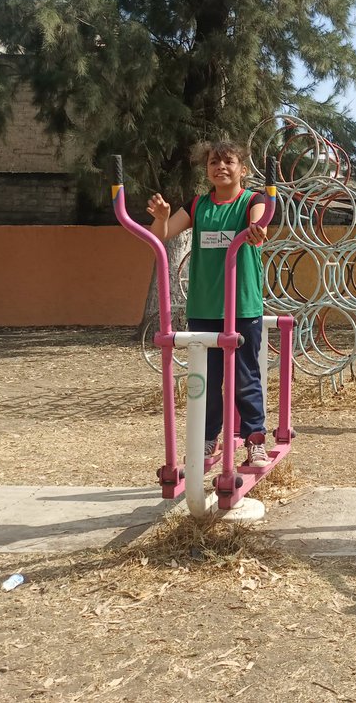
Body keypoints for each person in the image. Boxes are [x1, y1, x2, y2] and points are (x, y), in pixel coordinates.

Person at [146, 140, 270, 467]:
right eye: (214, 163)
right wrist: (161, 217)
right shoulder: (199, 204)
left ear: (243, 169)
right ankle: (207, 438)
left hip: (241, 305)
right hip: (204, 307)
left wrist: (257, 230)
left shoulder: (251, 201)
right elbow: (161, 234)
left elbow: (260, 223)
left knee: (245, 378)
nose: (220, 167)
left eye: (228, 162)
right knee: (207, 381)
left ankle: (255, 438)